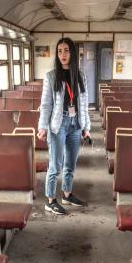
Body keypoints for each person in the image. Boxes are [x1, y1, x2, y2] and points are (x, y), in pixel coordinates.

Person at [37, 37, 90, 215]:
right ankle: (50, 200)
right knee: (55, 165)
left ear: (72, 53)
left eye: (66, 50)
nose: (62, 54)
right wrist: (42, 127)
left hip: (75, 124)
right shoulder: (51, 76)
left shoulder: (80, 76)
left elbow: (84, 104)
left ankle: (67, 194)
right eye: (59, 51)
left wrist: (86, 127)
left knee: (70, 165)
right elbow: (46, 105)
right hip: (58, 125)